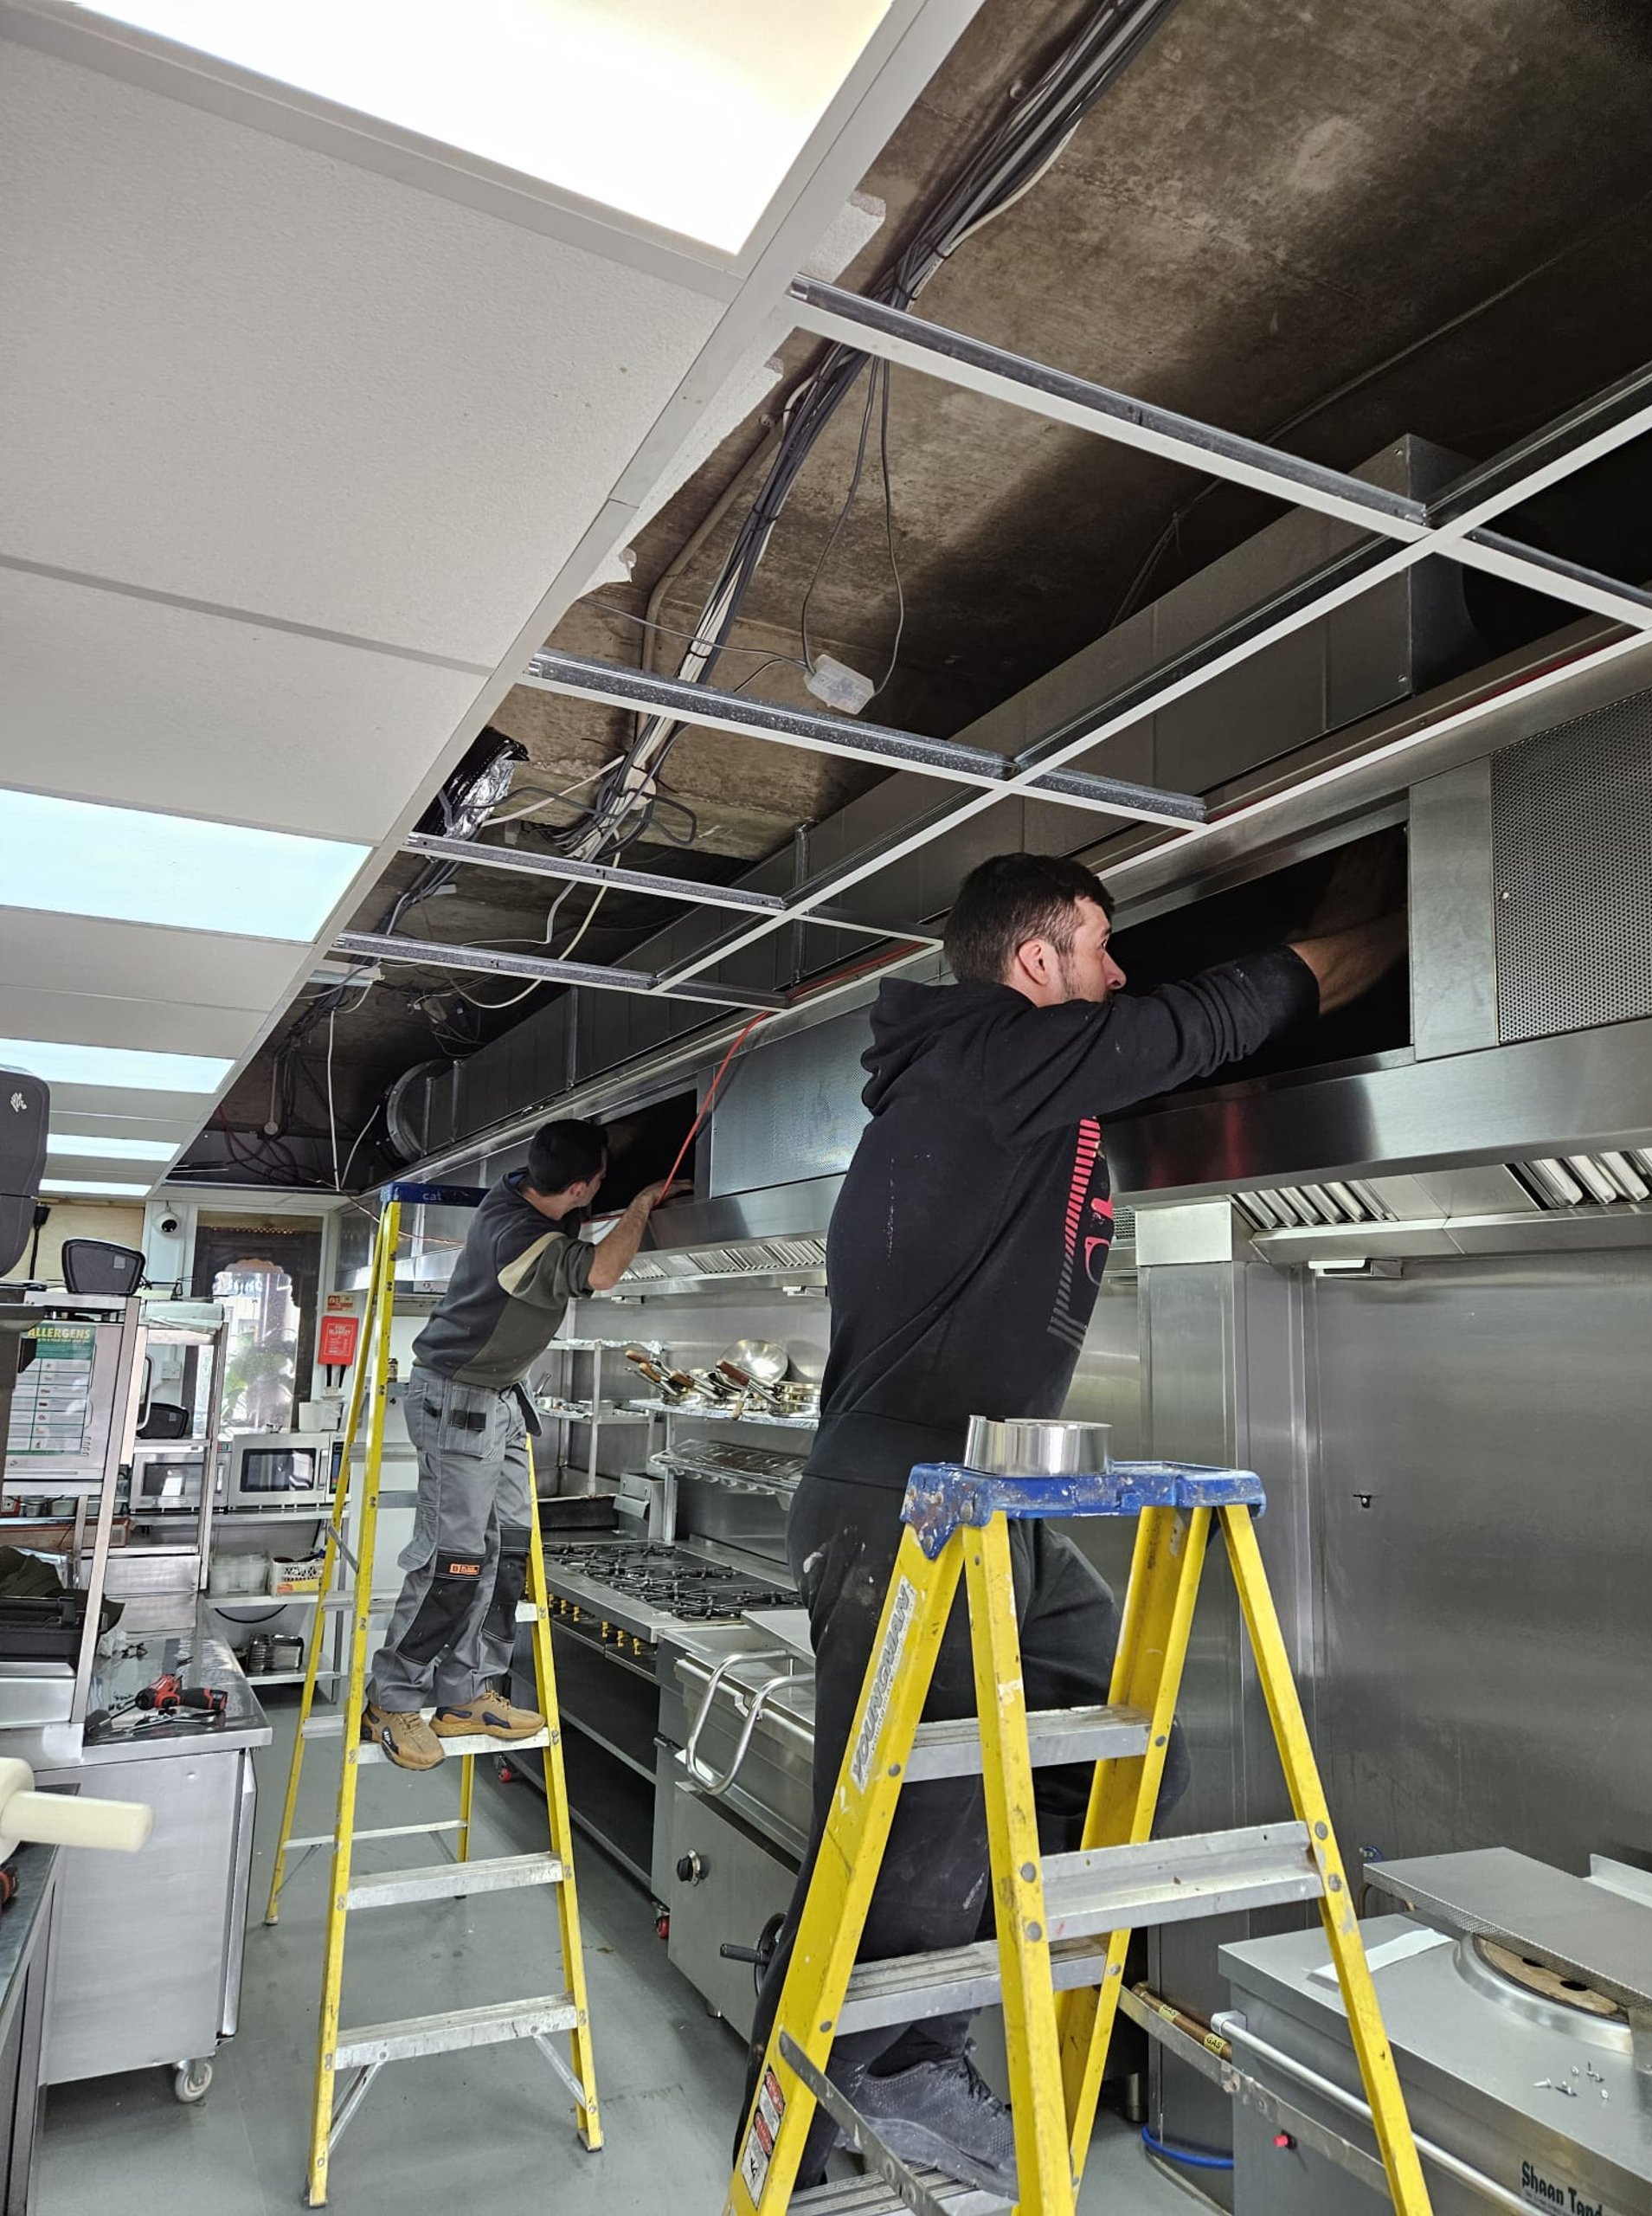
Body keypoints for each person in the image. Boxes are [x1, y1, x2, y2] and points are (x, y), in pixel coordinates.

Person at [742, 849, 1405, 2195]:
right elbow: (1210, 1017)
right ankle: (852, 2101)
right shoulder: (989, 1058)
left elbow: (1167, 1053)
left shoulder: (1013, 1086)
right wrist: (1367, 927)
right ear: (1033, 964)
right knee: (914, 1822)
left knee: (1101, 1706)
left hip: (990, 1501)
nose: (1119, 977)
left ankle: (928, 2007)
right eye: (1100, 951)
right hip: (909, 1503)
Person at [364, 1119, 683, 1770]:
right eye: (593, 1186)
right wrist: (643, 1205)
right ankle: (391, 1699)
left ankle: (466, 1694)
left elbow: (577, 1208)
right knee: (453, 1559)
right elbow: (601, 1272)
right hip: (458, 1399)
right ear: (575, 1189)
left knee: (506, 1552)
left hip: (501, 1398)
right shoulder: (520, 1237)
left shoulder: (523, 1191)